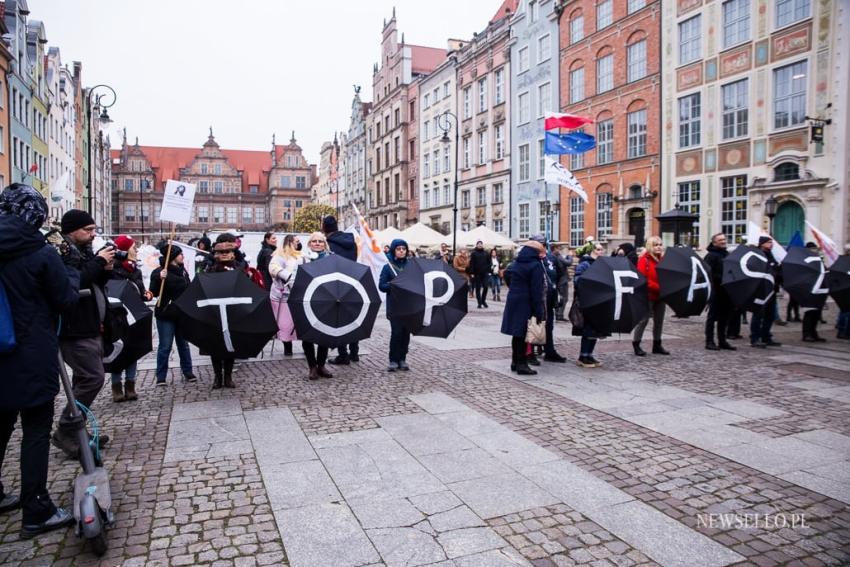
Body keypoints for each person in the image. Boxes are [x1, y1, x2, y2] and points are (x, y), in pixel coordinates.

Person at [0, 184, 78, 538]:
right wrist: (71, 271)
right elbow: (65, 299)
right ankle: (36, 508)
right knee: (34, 430)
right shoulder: (39, 251)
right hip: (29, 353)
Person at [52, 209, 113, 459]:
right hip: (73, 329)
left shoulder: (82, 250)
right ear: (71, 230)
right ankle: (66, 428)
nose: (92, 234)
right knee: (93, 378)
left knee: (82, 379)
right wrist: (98, 262)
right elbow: (74, 282)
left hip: (88, 325)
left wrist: (105, 268)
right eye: (87, 230)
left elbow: (92, 280)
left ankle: (78, 430)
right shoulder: (62, 251)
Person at [107, 235, 152, 402]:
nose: (136, 250)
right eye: (134, 247)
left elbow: (140, 292)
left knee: (133, 350)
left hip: (134, 315)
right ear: (125, 251)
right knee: (118, 351)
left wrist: (146, 295)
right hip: (117, 315)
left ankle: (130, 385)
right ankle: (116, 387)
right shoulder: (112, 269)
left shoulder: (136, 270)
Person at [149, 243, 197, 386]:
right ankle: (161, 376)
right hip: (166, 313)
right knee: (165, 346)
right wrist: (159, 278)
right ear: (173, 256)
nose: (183, 256)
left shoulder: (183, 271)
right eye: (180, 254)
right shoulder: (160, 272)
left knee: (184, 344)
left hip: (181, 313)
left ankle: (188, 371)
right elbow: (154, 292)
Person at [500, 240, 546, 375]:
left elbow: (507, 274)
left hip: (514, 299)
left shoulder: (517, 262)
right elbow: (536, 290)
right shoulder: (535, 265)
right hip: (526, 301)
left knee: (517, 333)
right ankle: (522, 364)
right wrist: (538, 311)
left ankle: (515, 361)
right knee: (524, 333)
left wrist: (514, 287)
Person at [322, 215, 360, 364]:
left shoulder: (329, 243)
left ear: (324, 227)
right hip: (352, 283)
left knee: (339, 321)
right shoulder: (351, 241)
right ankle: (354, 352)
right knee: (352, 319)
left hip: (335, 285)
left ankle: (343, 355)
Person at [302, 232, 334, 380]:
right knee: (307, 334)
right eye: (314, 241)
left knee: (324, 334)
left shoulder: (331, 258)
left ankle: (321, 365)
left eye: (320, 241)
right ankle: (312, 367)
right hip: (307, 299)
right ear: (309, 244)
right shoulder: (303, 258)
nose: (317, 243)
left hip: (326, 300)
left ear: (324, 244)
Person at [632, 236, 669, 356]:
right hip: (647, 296)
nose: (659, 247)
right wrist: (658, 287)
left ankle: (657, 344)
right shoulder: (644, 260)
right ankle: (636, 344)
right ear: (650, 246)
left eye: (660, 244)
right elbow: (643, 279)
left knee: (659, 321)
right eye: (655, 245)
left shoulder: (662, 260)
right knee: (643, 320)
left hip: (661, 296)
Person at [379, 238, 413, 372]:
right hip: (395, 307)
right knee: (397, 333)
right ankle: (393, 359)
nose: (401, 251)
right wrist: (394, 285)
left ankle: (402, 358)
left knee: (406, 334)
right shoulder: (388, 267)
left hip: (409, 306)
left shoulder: (411, 266)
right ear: (394, 250)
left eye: (404, 249)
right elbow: (381, 286)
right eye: (399, 249)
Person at [269, 234, 303, 357]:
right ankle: (287, 348)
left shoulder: (300, 256)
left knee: (300, 323)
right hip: (282, 295)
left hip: (298, 294)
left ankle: (306, 346)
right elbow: (273, 268)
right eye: (296, 241)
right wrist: (286, 276)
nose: (298, 243)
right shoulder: (279, 256)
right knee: (285, 324)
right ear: (290, 242)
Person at [703, 233, 737, 351]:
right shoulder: (711, 256)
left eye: (724, 239)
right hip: (716, 290)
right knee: (712, 317)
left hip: (726, 291)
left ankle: (722, 340)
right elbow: (707, 273)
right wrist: (722, 277)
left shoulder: (726, 254)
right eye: (720, 240)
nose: (723, 241)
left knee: (724, 317)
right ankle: (709, 341)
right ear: (714, 242)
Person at [574, 244, 606, 367]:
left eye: (601, 249)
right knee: (588, 329)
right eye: (598, 249)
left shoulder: (602, 264)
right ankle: (583, 356)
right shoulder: (585, 264)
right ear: (591, 251)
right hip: (588, 300)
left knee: (596, 330)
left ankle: (589, 355)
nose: (601, 251)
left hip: (600, 300)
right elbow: (578, 281)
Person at [750, 236, 782, 348]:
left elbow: (774, 269)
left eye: (771, 242)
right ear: (762, 244)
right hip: (761, 290)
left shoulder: (771, 254)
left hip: (771, 289)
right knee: (758, 314)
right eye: (769, 242)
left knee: (770, 315)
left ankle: (766, 336)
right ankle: (755, 338)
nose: (771, 244)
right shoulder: (758, 255)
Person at [801, 242, 826, 342]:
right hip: (808, 290)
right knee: (809, 313)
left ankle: (814, 333)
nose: (815, 250)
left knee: (817, 313)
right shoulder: (804, 259)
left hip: (818, 289)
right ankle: (806, 334)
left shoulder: (818, 259)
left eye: (815, 249)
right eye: (812, 249)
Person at [553, 245, 573, 321]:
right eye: (559, 248)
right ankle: (559, 315)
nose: (560, 250)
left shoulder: (554, 257)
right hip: (562, 280)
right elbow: (569, 263)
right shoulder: (558, 257)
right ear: (555, 249)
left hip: (559, 280)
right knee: (564, 298)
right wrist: (570, 256)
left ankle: (558, 314)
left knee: (560, 298)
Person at [469, 240, 491, 308]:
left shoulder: (486, 253)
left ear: (482, 245)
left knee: (485, 287)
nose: (480, 245)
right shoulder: (473, 253)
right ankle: (479, 303)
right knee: (478, 288)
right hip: (477, 273)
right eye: (478, 244)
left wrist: (489, 270)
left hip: (485, 273)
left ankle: (483, 300)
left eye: (481, 244)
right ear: (476, 245)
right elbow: (471, 263)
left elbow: (489, 263)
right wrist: (472, 273)